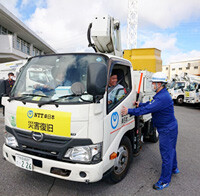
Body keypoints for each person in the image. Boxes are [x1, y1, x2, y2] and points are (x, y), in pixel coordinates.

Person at [121, 72, 179, 190]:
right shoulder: (160, 94)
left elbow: (147, 109)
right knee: (171, 149)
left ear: (159, 84)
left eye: (153, 82)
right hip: (170, 127)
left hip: (167, 130)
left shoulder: (162, 97)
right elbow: (150, 104)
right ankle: (174, 168)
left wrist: (129, 111)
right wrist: (140, 104)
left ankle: (164, 180)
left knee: (166, 154)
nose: (152, 84)